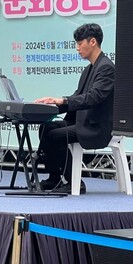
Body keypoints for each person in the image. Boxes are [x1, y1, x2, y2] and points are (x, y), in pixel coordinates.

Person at [35, 23, 114, 194]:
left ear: (92, 42)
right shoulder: (89, 69)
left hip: (96, 126)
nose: (77, 48)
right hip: (82, 121)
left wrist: (63, 100)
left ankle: (75, 182)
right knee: (45, 128)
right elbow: (78, 96)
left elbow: (93, 97)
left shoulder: (106, 68)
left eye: (80, 43)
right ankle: (54, 178)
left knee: (56, 136)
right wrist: (53, 104)